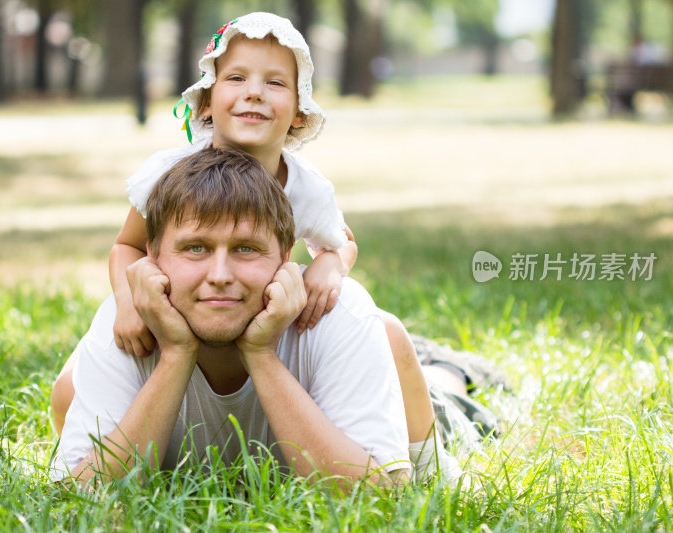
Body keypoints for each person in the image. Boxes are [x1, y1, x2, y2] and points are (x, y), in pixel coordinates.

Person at [50, 12, 443, 470]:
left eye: (274, 83)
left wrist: (328, 267)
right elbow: (127, 247)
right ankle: (92, 440)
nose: (254, 91)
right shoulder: (170, 175)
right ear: (207, 102)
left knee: (388, 330)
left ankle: (430, 459)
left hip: (261, 318)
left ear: (299, 111)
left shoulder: (305, 186)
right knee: (71, 383)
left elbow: (342, 241)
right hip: (180, 310)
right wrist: (126, 301)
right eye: (236, 78)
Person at [51, 147, 418, 485]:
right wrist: (176, 354)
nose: (221, 275)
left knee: (397, 340)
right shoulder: (126, 313)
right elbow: (76, 494)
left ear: (286, 256)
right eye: (196, 248)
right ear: (152, 255)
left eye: (246, 248)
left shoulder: (335, 309)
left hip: (382, 383)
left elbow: (382, 497)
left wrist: (261, 355)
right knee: (70, 381)